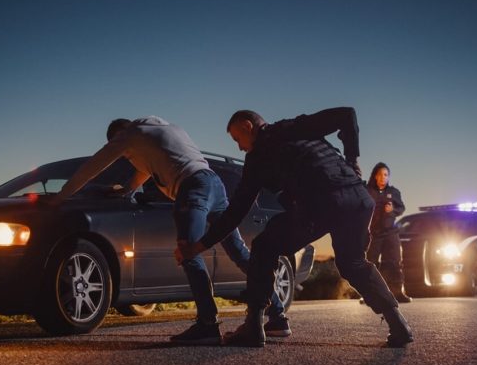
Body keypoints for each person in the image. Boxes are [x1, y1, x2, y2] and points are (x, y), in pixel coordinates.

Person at [176, 108, 414, 348]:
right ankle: (398, 323)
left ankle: (254, 325)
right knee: (353, 263)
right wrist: (352, 162)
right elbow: (348, 116)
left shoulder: (259, 154)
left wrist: (198, 246)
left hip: (323, 200)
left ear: (248, 126)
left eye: (237, 139)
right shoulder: (297, 127)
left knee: (264, 246)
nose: (239, 147)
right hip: (358, 198)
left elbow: (236, 212)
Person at [55, 116, 288, 344]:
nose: (126, 156)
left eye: (123, 151)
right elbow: (146, 169)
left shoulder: (128, 135)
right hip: (214, 184)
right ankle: (278, 317)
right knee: (238, 252)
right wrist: (127, 190)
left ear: (118, 136)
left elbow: (92, 167)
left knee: (188, 252)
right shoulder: (162, 130)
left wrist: (61, 197)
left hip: (192, 187)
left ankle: (207, 324)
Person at [365, 162, 412, 303]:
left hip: (391, 233)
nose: (383, 177)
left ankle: (398, 293)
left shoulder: (394, 192)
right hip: (373, 234)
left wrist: (393, 210)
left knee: (394, 263)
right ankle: (369, 294)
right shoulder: (367, 191)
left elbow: (401, 208)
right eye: (380, 174)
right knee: (370, 263)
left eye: (386, 175)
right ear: (375, 176)